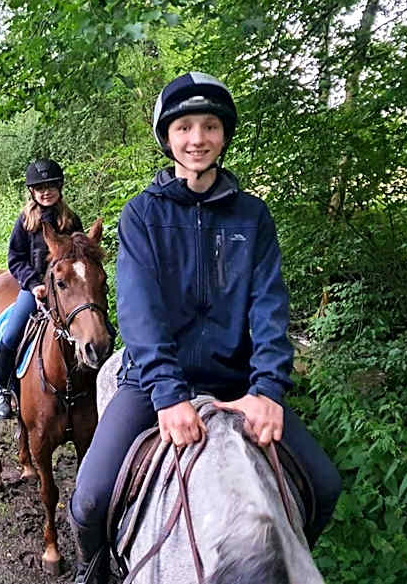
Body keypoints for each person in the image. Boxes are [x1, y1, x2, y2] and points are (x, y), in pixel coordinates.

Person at [67, 73, 342, 583]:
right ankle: (96, 573)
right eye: (185, 126)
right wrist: (169, 396)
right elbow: (140, 313)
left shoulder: (252, 217)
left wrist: (267, 390)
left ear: (224, 135)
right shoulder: (141, 215)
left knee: (324, 485)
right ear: (167, 136)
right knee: (90, 499)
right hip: (152, 386)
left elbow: (269, 308)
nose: (197, 138)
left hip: (236, 384)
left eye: (210, 125)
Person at [0, 158, 83, 420]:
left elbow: (80, 258)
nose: (46, 191)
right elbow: (16, 257)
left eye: (51, 185)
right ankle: (3, 390)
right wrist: (34, 284)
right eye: (39, 187)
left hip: (66, 291)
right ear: (32, 191)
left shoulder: (70, 220)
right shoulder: (26, 221)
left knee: (98, 330)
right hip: (36, 291)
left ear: (59, 187)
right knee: (10, 335)